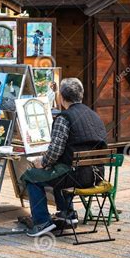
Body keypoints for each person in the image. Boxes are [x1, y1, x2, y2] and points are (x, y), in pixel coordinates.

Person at [21, 78, 108, 237]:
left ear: (61, 98)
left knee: (31, 176)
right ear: (81, 95)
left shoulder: (64, 118)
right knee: (58, 169)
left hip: (74, 176)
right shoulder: (95, 115)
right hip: (96, 175)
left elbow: (55, 151)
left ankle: (42, 222)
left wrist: (43, 162)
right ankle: (68, 214)